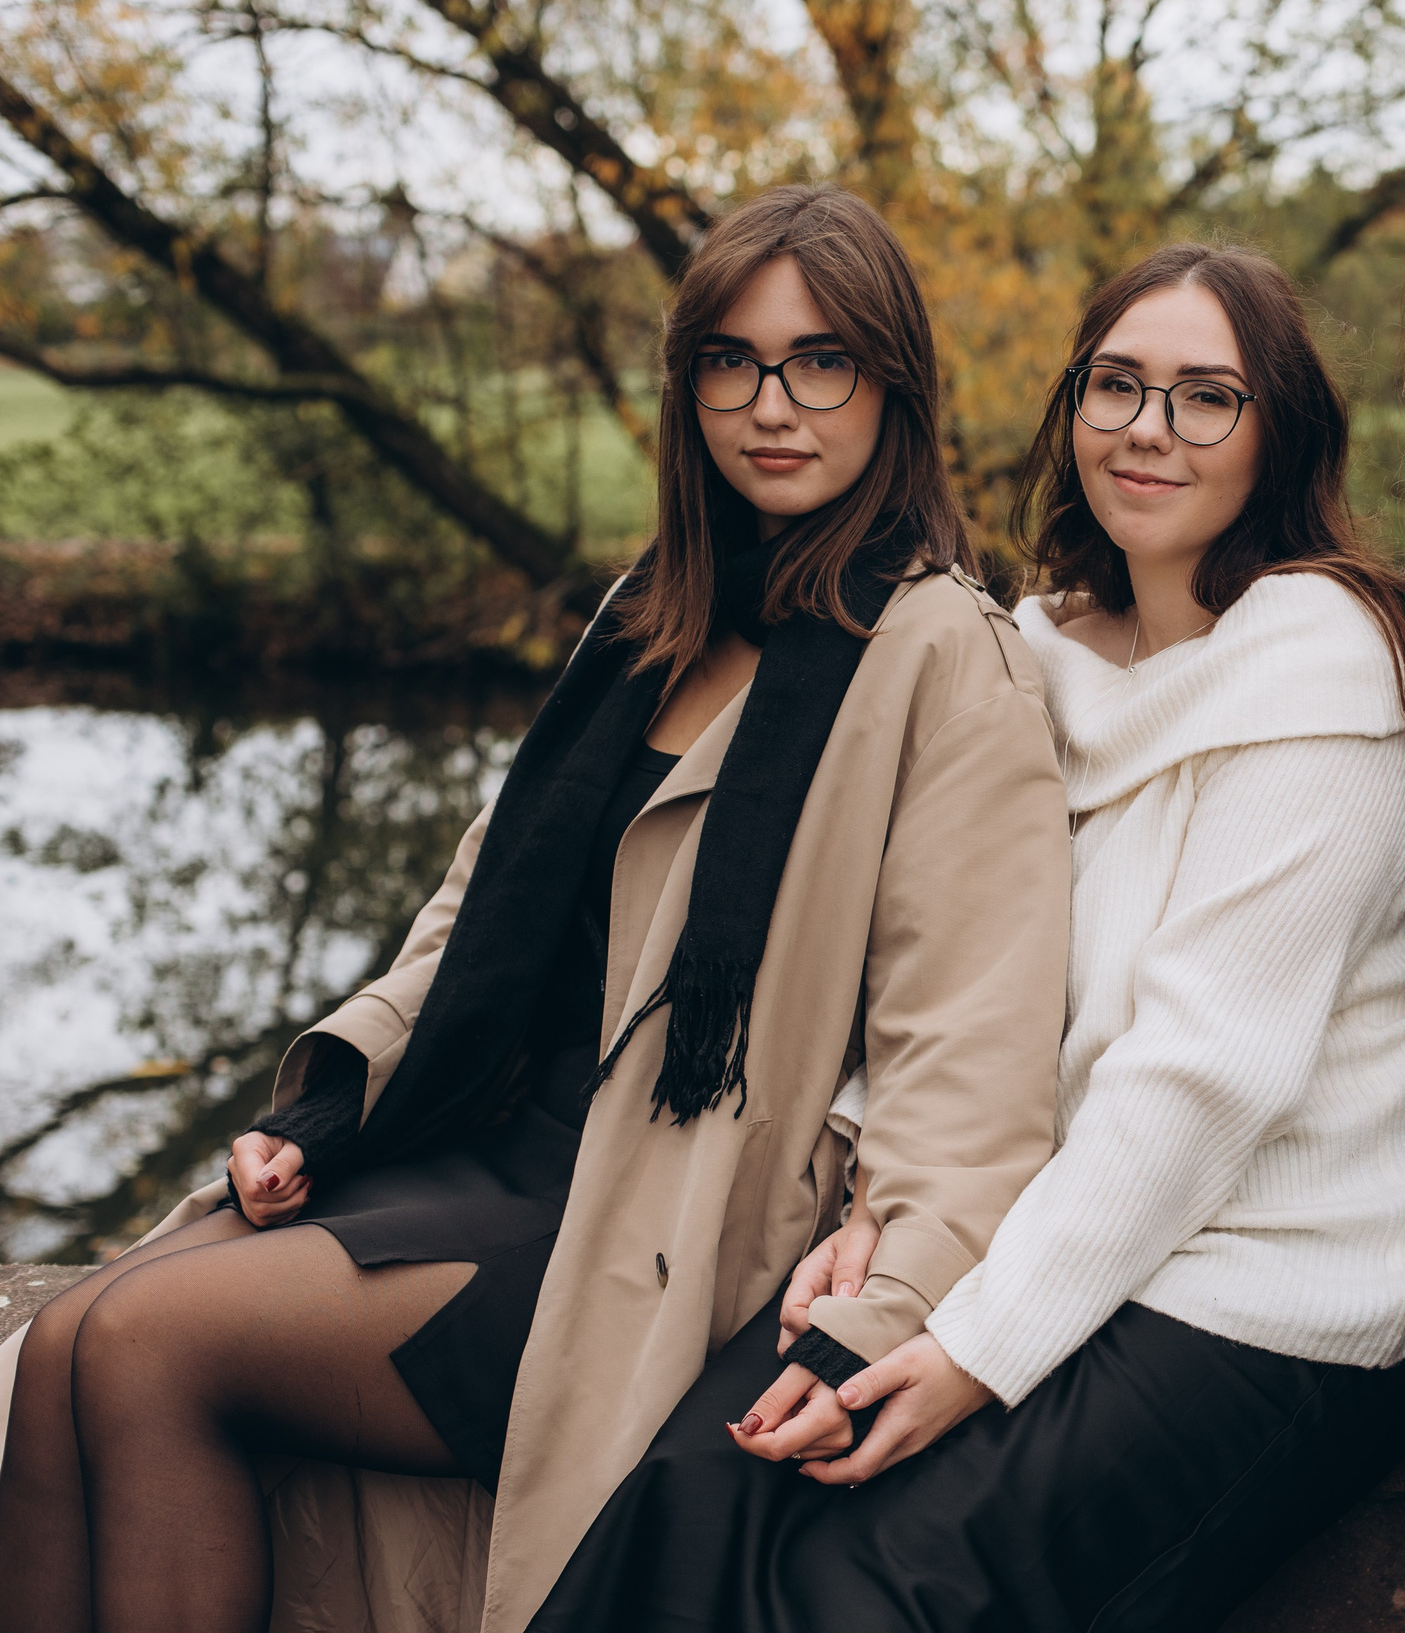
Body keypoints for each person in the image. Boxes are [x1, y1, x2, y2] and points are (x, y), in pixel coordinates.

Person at [0, 184, 1072, 1633]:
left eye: (822, 362)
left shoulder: (947, 655)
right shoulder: (650, 612)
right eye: (732, 361)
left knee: (145, 1344)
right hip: (488, 1138)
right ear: (687, 384)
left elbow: (973, 1045)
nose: (773, 405)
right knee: (61, 1343)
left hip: (657, 1210)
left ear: (893, 385)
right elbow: (473, 921)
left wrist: (888, 1310)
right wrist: (332, 1103)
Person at [531, 241, 1405, 1633]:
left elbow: (1204, 1082)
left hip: (1267, 1284)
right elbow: (956, 978)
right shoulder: (1035, 655)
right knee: (692, 1498)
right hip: (1036, 1224)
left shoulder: (1329, 676)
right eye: (1116, 385)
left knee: (865, 1593)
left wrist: (974, 1346)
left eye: (1207, 397)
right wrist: (885, 1202)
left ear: (1281, 439)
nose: (1147, 428)